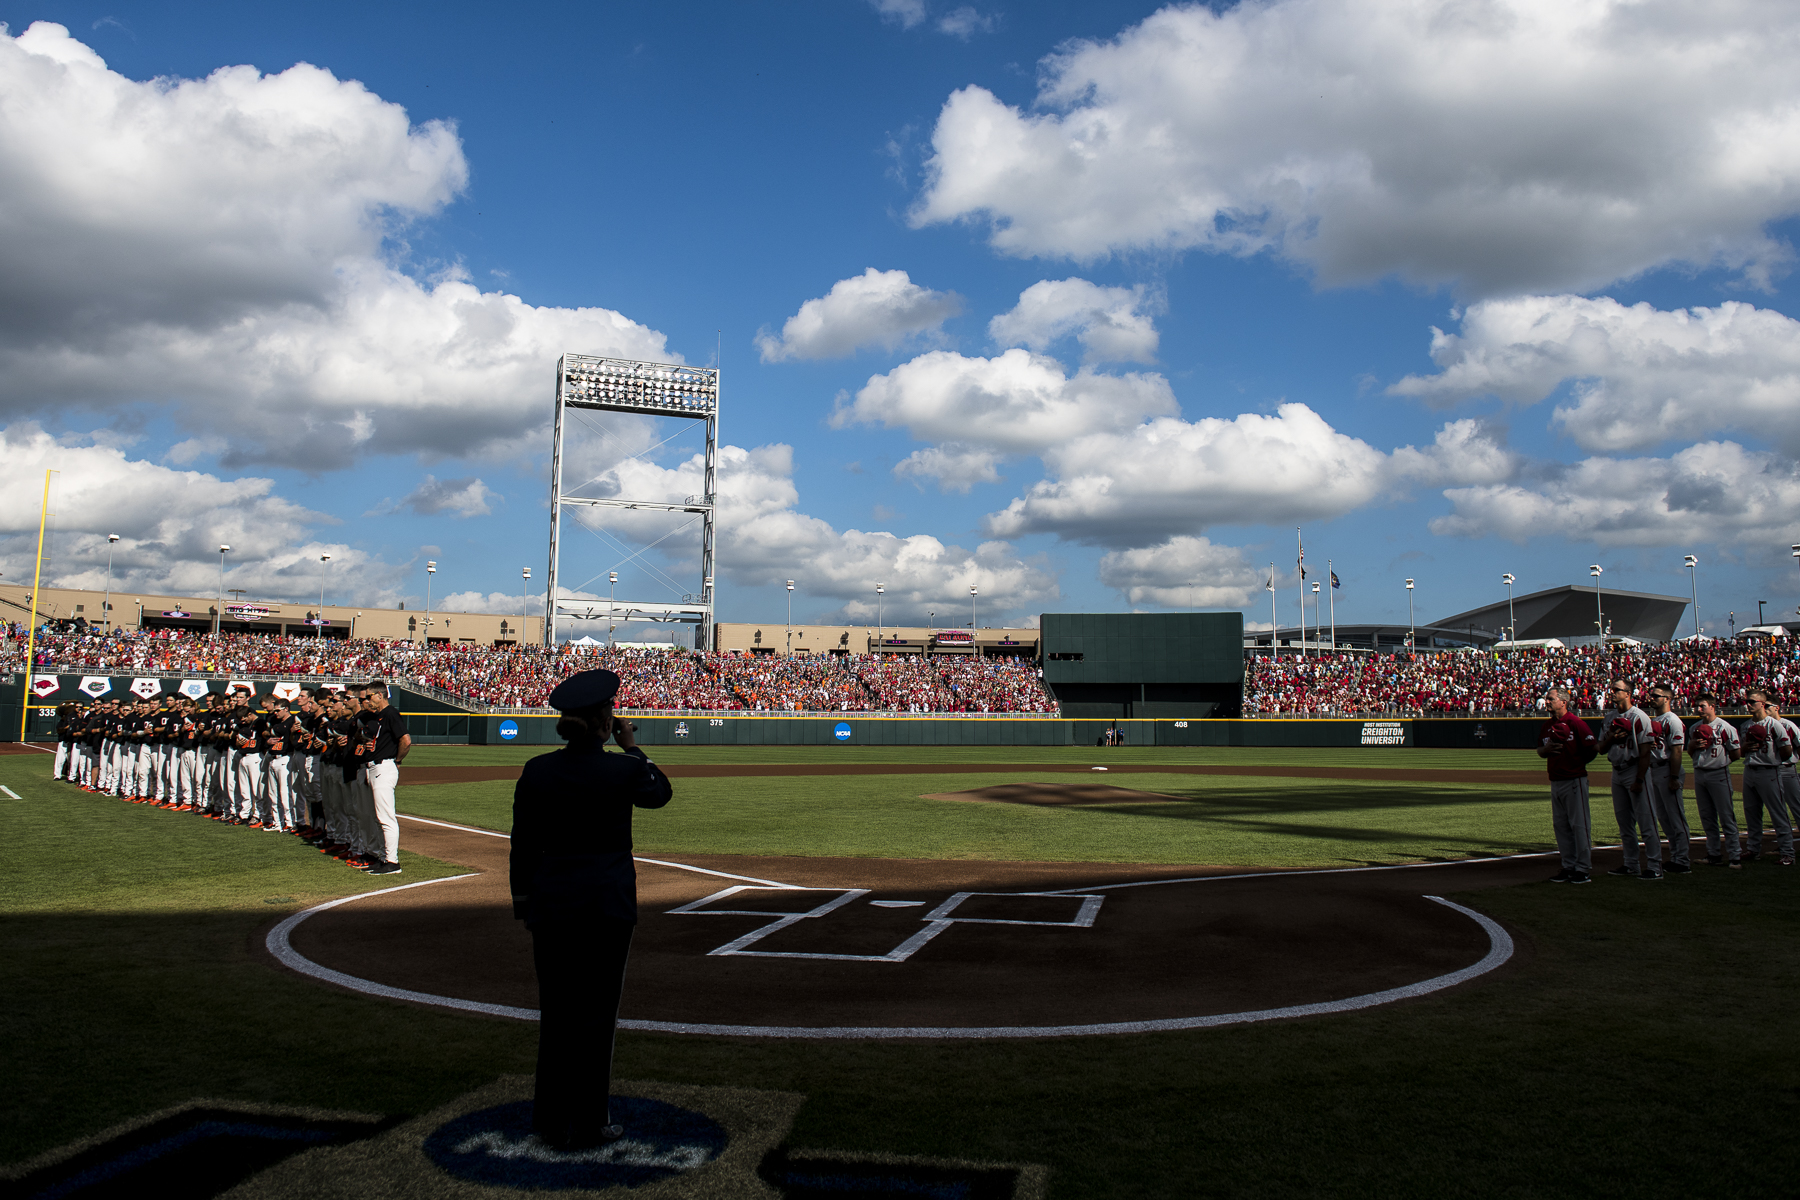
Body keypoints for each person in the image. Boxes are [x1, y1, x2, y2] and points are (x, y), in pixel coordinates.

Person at [511, 668, 672, 1151]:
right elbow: (660, 794)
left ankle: (549, 1117)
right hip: (607, 905)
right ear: (606, 721)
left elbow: (522, 845)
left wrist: (523, 901)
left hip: (551, 903)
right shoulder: (622, 769)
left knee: (556, 1013)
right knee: (596, 1017)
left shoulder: (537, 768)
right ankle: (589, 1121)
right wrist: (632, 747)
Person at [1597, 680, 1660, 880]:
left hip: (1635, 770)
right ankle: (1631, 864)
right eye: (1612, 689)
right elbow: (1601, 748)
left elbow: (1645, 752)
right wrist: (1611, 739)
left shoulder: (1639, 717)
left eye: (1617, 690)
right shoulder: (1609, 718)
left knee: (1646, 821)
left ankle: (1655, 866)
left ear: (1628, 693)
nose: (1613, 692)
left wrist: (1640, 780)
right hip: (1617, 771)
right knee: (1624, 823)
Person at [1536, 687, 1596, 883]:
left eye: (1551, 699)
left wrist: (1576, 764)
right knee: (1560, 826)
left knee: (1579, 825)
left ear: (1563, 702)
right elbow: (1540, 751)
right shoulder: (1547, 725)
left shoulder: (1575, 723)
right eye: (1547, 699)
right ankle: (1568, 865)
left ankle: (1583, 868)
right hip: (1555, 780)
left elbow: (1592, 748)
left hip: (1574, 780)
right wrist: (1546, 749)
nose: (1547, 702)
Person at [357, 681, 410, 874]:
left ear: (380, 695)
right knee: (377, 817)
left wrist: (397, 760)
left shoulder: (390, 713)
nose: (367, 700)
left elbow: (405, 740)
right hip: (373, 767)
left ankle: (392, 861)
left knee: (386, 817)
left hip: (384, 766)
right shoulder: (377, 716)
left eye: (370, 696)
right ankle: (382, 857)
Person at [1739, 691, 1793, 866]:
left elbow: (1787, 749)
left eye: (1752, 701)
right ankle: (1753, 849)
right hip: (1749, 770)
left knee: (1778, 813)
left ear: (1762, 703)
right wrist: (1744, 747)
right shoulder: (1746, 725)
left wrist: (1774, 761)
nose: (1748, 704)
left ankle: (1787, 853)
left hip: (1769, 771)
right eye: (1747, 701)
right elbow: (1740, 752)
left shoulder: (1775, 725)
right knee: (1751, 813)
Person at [1686, 692, 1740, 868]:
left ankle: (1735, 856)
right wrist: (1692, 746)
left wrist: (1722, 763)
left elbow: (1736, 753)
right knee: (1707, 817)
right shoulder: (1694, 728)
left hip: (1718, 773)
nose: (1699, 709)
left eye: (1702, 706)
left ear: (1712, 706)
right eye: (1697, 706)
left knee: (1726, 816)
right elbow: (1691, 752)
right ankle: (1713, 854)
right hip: (1700, 774)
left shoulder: (1725, 728)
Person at [1645, 684, 1691, 873]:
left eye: (1656, 695)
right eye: (1652, 695)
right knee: (1664, 817)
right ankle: (1675, 857)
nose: (1652, 698)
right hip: (1655, 770)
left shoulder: (1672, 720)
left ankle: (1683, 860)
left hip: (1667, 770)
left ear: (1667, 698)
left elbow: (1677, 751)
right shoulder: (1656, 719)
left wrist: (1674, 776)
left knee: (1675, 817)